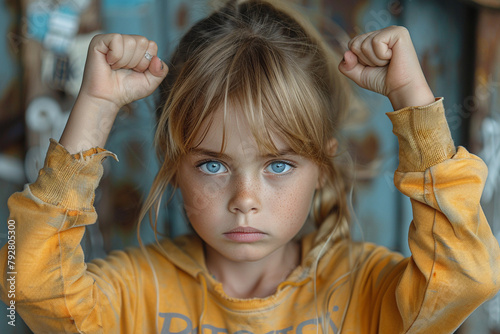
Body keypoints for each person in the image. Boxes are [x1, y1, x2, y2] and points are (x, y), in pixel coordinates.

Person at [1, 0, 499, 333]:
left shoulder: (364, 293)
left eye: (279, 165)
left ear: (322, 166)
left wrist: (414, 102)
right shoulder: (135, 294)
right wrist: (95, 107)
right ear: (175, 167)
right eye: (213, 165)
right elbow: (26, 280)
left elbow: (466, 274)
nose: (245, 200)